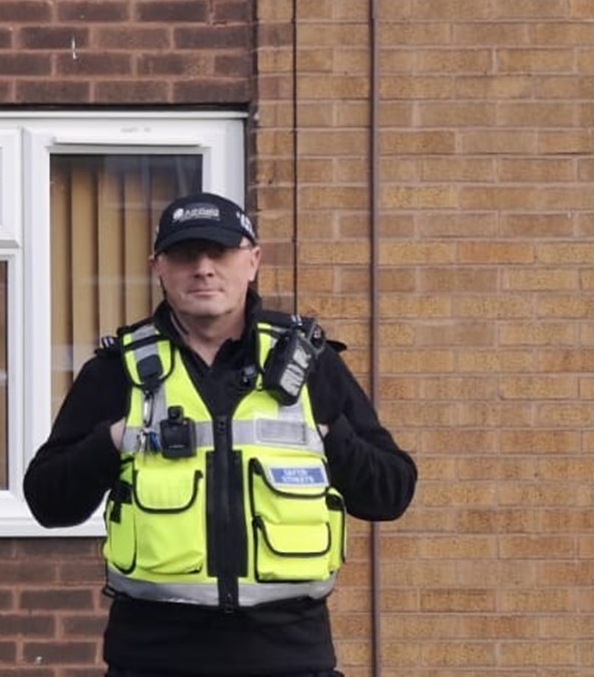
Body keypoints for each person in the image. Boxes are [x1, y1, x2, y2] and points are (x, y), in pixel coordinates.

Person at [23, 193, 418, 677]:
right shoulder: (117, 371)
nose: (204, 268)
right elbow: (47, 501)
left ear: (253, 261)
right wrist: (113, 440)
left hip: (290, 658)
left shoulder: (310, 365)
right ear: (159, 268)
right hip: (153, 659)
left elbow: (392, 491)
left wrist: (329, 437)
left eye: (220, 252)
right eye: (186, 255)